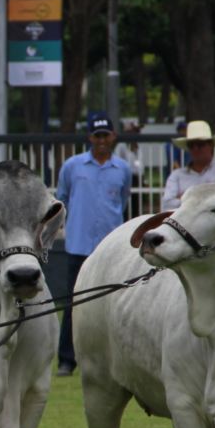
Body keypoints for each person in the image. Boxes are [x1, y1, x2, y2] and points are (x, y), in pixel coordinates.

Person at [54, 111, 131, 376]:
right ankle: (67, 359)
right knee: (73, 302)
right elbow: (62, 197)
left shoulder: (122, 168)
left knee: (112, 301)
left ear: (113, 136)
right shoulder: (73, 166)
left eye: (105, 135)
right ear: (90, 137)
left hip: (111, 248)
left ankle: (115, 356)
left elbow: (123, 200)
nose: (101, 140)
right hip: (79, 244)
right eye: (96, 135)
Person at [161, 120, 215, 210]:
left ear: (211, 145)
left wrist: (184, 198)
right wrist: (211, 195)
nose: (195, 148)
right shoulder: (176, 175)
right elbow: (166, 205)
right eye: (191, 145)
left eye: (200, 144)